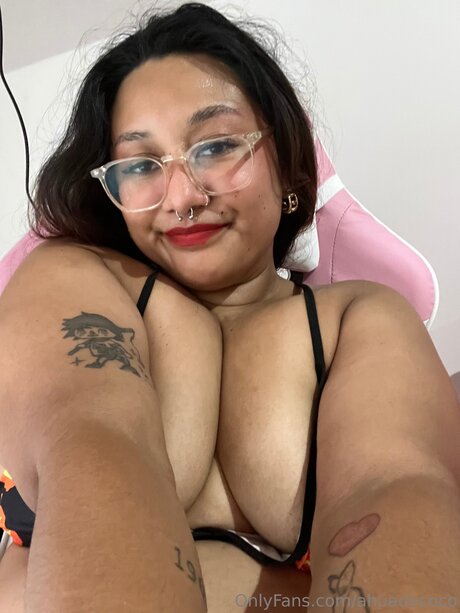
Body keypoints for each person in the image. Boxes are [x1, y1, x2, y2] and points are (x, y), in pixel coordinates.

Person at [0, 3, 459, 611]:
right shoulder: (70, 276)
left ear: (287, 162)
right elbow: (91, 446)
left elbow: (394, 494)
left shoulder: (359, 320)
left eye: (216, 146)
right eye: (140, 165)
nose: (182, 198)